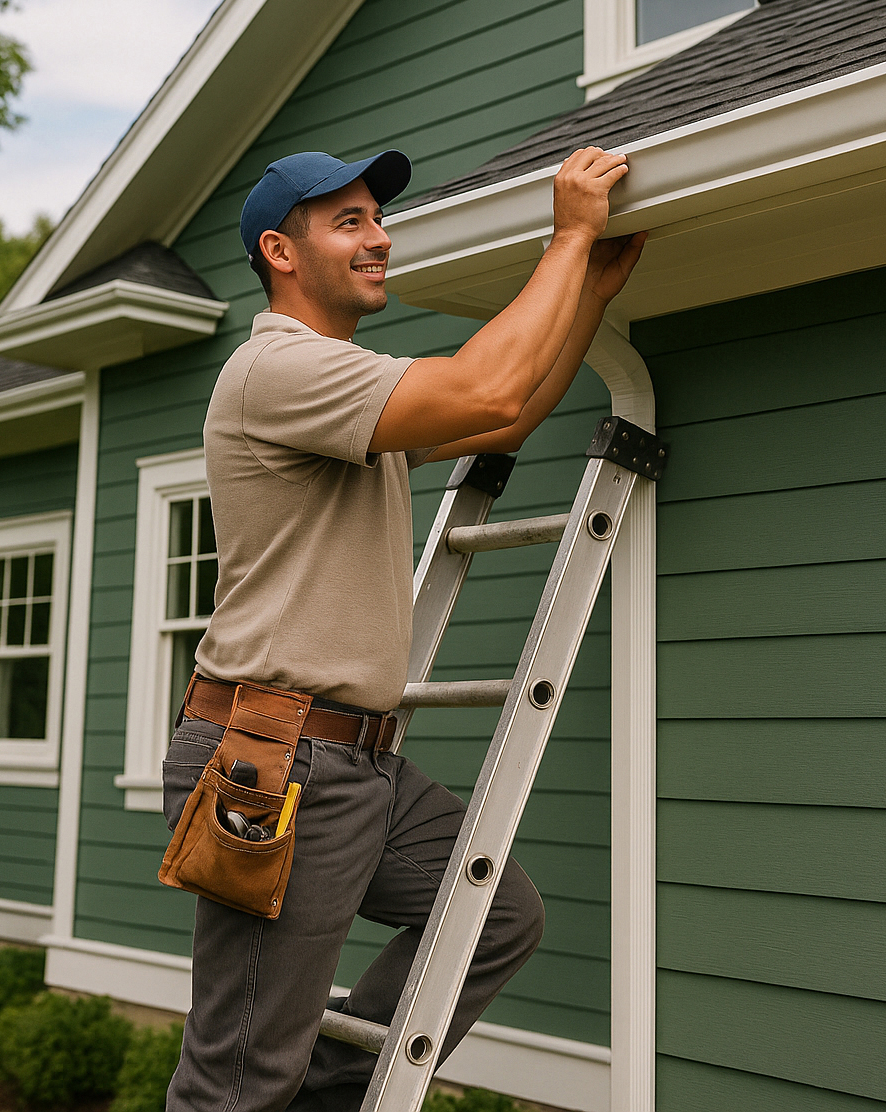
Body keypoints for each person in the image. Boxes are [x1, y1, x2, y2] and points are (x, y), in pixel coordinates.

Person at [163, 144, 646, 1112]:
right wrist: (567, 235)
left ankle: (318, 1102)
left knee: (493, 917)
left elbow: (498, 424)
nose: (380, 238)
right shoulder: (277, 370)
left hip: (357, 763)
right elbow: (486, 391)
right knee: (234, 1077)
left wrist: (584, 293)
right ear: (280, 251)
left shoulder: (342, 386)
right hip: (277, 758)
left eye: (378, 219)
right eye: (349, 222)